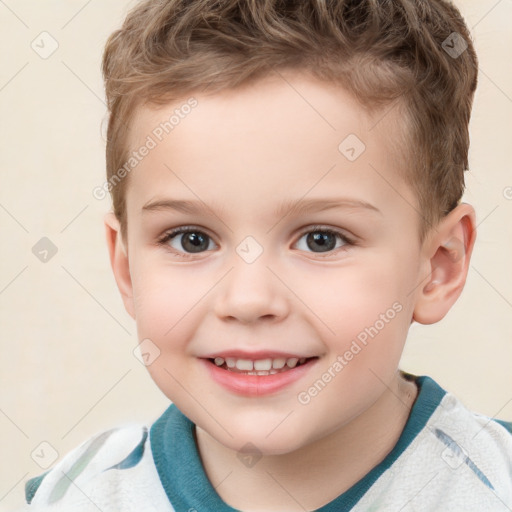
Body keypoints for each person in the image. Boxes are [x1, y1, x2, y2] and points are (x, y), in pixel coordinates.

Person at [21, 0, 512, 510]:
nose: (249, 299)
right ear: (126, 269)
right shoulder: (76, 495)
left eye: (321, 239)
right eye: (192, 239)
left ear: (438, 266)